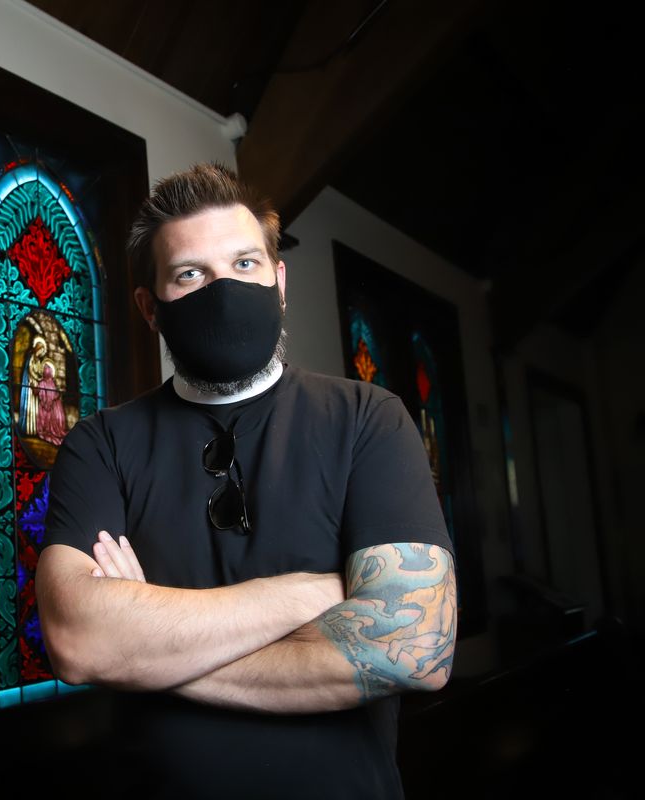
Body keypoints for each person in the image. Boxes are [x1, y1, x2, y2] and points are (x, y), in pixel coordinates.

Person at [37, 163, 456, 799]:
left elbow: (412, 645)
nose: (223, 291)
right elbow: (77, 639)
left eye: (244, 265)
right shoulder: (101, 445)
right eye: (190, 274)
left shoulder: (369, 420)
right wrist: (312, 595)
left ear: (278, 280)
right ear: (150, 307)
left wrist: (146, 654)